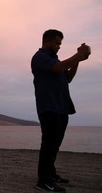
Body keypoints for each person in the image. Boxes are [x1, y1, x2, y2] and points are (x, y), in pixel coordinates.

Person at [31, 29, 91, 192]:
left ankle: (51, 174)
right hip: (49, 107)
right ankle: (43, 181)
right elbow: (59, 68)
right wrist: (78, 55)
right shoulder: (40, 58)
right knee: (49, 144)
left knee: (55, 145)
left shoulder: (55, 59)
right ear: (47, 41)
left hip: (62, 107)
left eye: (60, 44)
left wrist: (78, 59)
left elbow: (68, 77)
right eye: (57, 43)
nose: (59, 46)